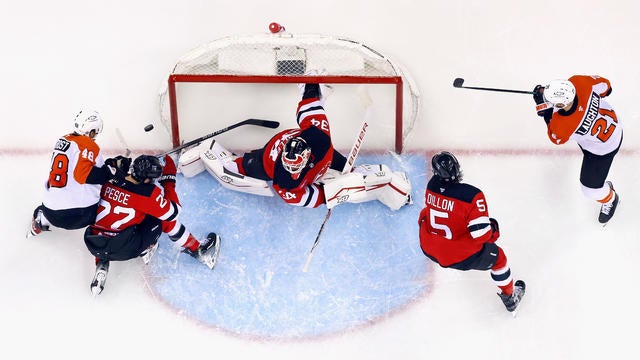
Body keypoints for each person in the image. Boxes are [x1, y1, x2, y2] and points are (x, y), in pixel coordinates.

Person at [179, 81, 412, 211]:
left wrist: (311, 85)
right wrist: (333, 194)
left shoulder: (319, 137)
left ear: (306, 155)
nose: (292, 170)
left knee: (350, 173)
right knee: (239, 167)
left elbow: (309, 107)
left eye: (295, 167)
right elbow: (314, 197)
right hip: (264, 161)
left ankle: (385, 184)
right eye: (290, 167)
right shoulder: (284, 180)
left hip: (323, 157)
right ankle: (204, 154)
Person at [83, 154, 221, 295]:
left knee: (105, 225)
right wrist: (169, 181)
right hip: (126, 249)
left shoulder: (108, 178)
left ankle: (101, 262)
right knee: (164, 220)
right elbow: (173, 212)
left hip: (95, 244)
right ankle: (199, 251)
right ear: (147, 179)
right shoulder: (147, 194)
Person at [418, 151, 525, 312]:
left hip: (428, 247)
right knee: (499, 259)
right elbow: (482, 235)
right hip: (456, 255)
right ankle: (510, 297)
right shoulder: (472, 195)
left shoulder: (431, 185)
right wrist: (493, 229)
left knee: (426, 214)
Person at [532, 75, 622, 224]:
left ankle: (611, 198)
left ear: (560, 105)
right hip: (614, 125)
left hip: (603, 148)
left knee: (590, 190)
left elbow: (555, 137)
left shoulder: (562, 127)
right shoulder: (579, 82)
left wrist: (544, 109)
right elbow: (607, 87)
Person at [27, 109, 130, 238]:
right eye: (95, 132)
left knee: (55, 198)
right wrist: (115, 171)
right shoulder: (89, 145)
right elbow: (84, 176)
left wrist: (110, 166)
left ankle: (39, 223)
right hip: (82, 216)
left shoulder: (62, 140)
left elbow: (77, 169)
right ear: (91, 130)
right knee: (111, 192)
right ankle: (111, 236)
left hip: (50, 212)